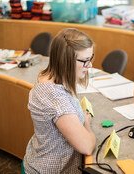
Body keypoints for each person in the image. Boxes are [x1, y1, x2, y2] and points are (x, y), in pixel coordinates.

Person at [23, 28, 96, 173]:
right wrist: (86, 124)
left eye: (91, 58)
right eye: (86, 61)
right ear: (66, 61)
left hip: (37, 158)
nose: (90, 65)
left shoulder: (48, 77)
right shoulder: (56, 98)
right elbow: (86, 146)